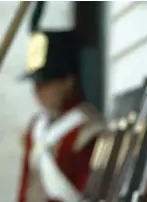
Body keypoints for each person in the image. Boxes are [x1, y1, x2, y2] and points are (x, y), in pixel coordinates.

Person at [17, 2, 104, 202]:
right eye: (36, 82)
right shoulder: (36, 127)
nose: (37, 90)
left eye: (46, 82)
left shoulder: (88, 130)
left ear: (68, 81)